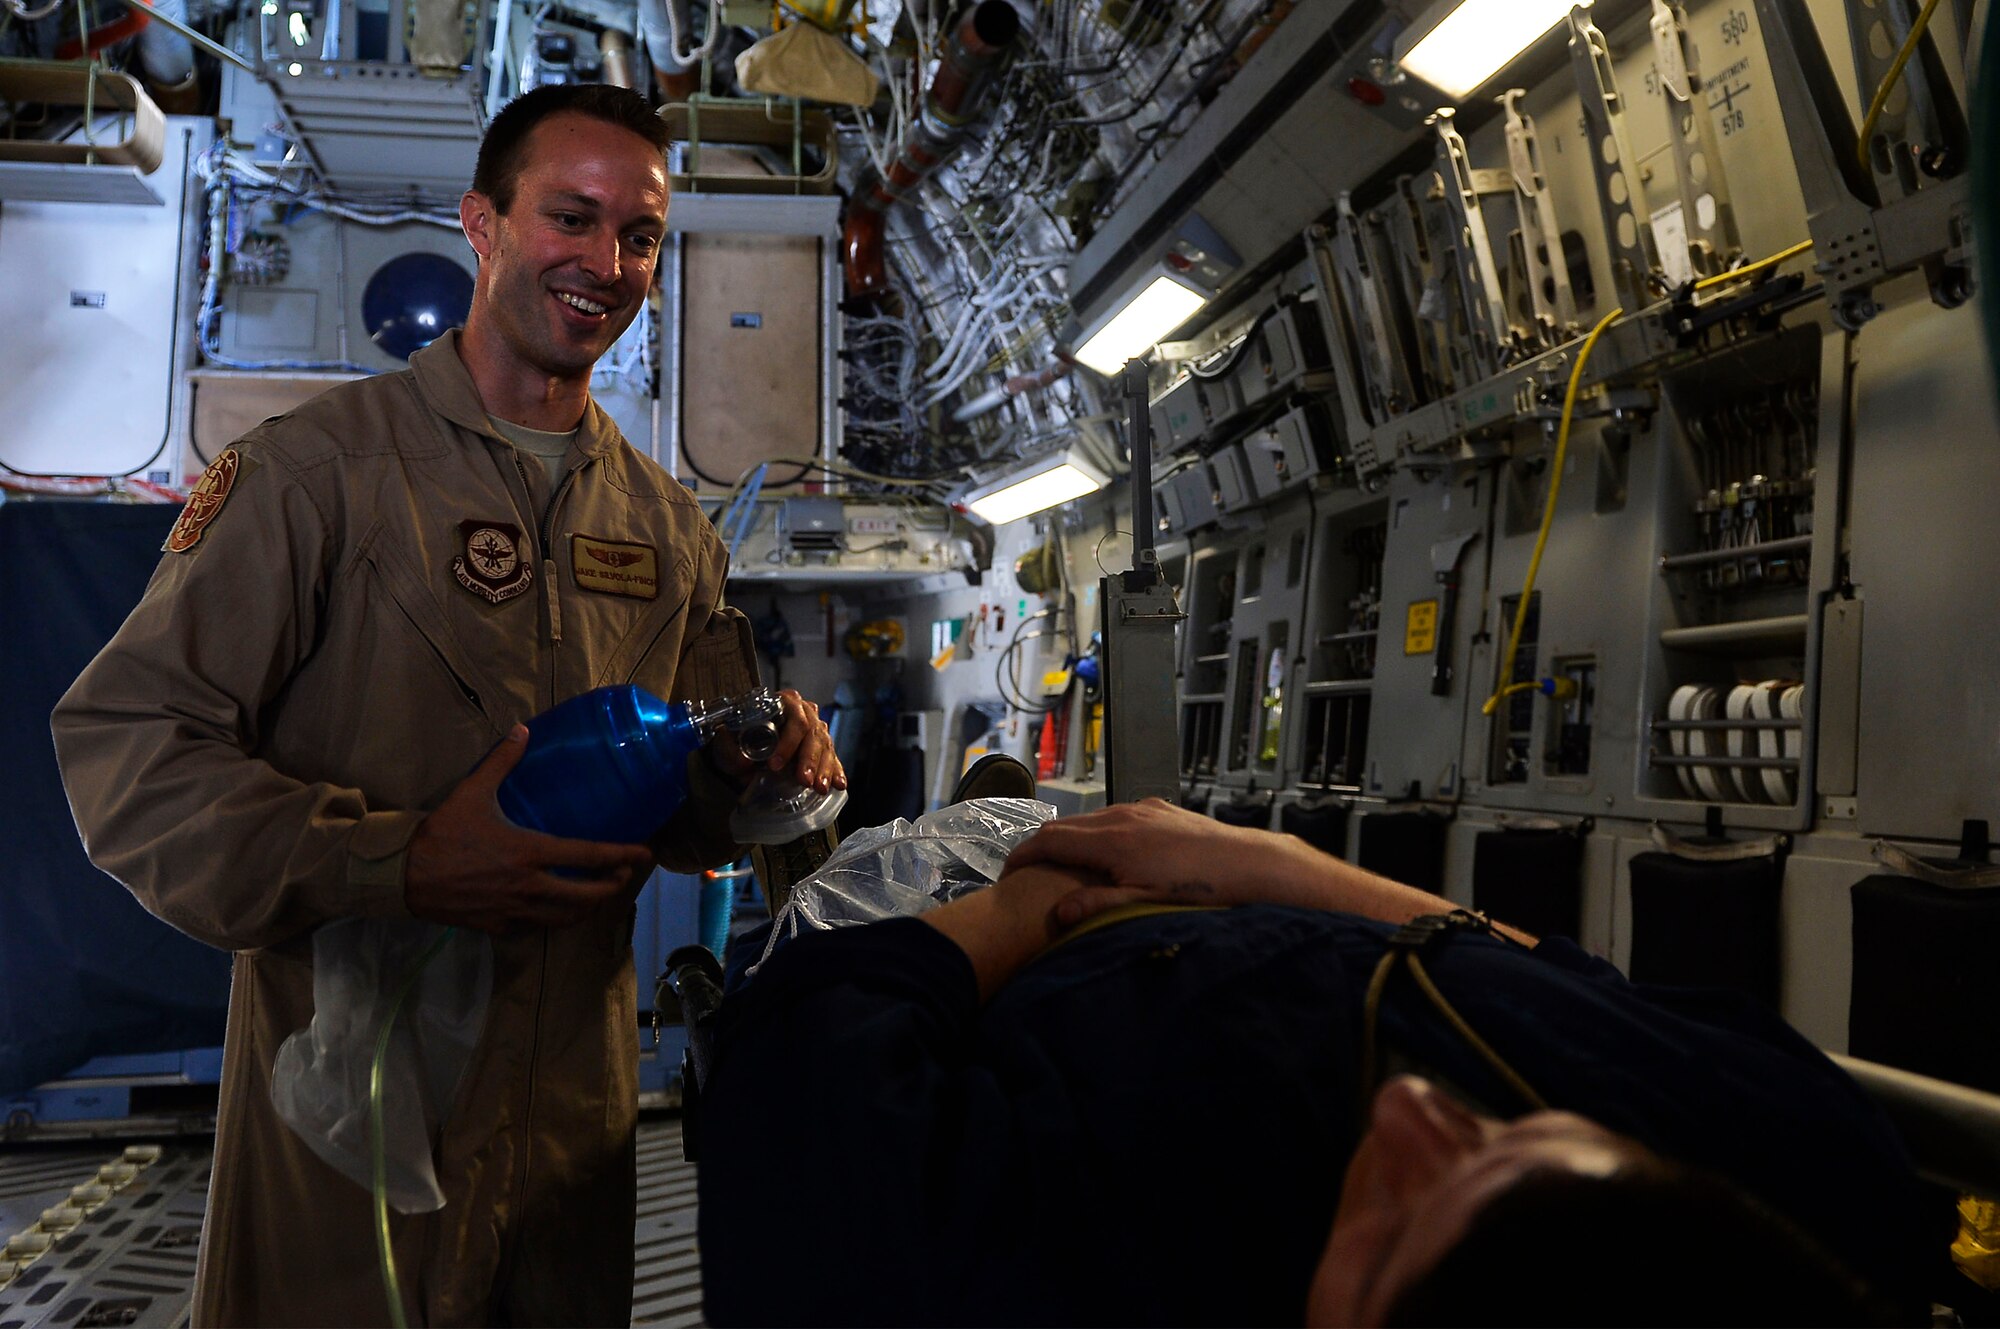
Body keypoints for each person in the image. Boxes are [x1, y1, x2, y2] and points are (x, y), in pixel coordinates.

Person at [51, 83, 842, 1327]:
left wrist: (766, 778)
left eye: (638, 235)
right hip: (352, 1117)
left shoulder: (666, 525)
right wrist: (401, 862)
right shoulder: (314, 473)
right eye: (569, 219)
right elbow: (128, 753)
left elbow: (695, 807)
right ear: (481, 225)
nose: (607, 265)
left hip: (571, 1124)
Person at [697, 798, 1938, 1326]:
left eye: (1395, 1230)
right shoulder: (1811, 1194)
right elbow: (1573, 987)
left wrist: (1019, 914)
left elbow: (793, 1077)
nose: (1408, 1112)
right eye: (1511, 1140)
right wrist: (1279, 869)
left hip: (1004, 952)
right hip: (1227, 891)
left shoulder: (1050, 1282)